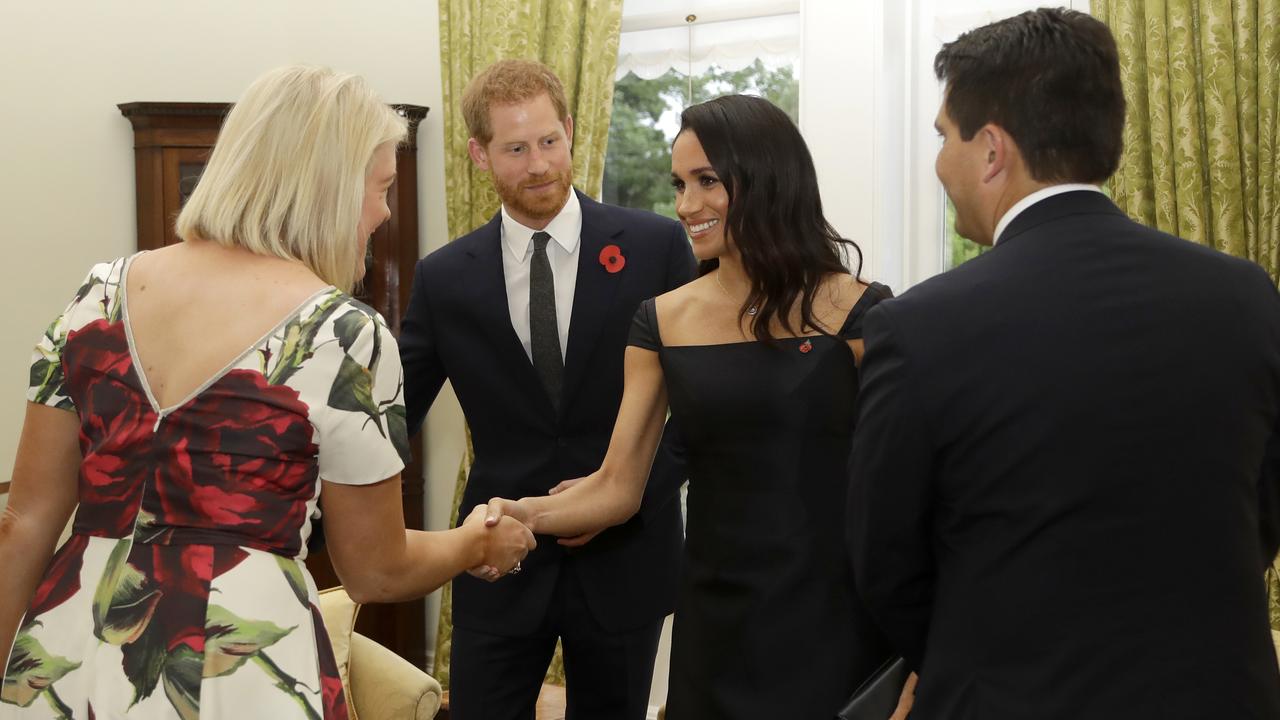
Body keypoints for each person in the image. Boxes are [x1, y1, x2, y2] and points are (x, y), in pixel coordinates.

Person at [0, 65, 534, 720]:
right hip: (238, 667)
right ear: (328, 189)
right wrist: (478, 541)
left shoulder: (97, 296)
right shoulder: (343, 336)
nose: (384, 212)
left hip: (68, 659)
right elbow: (376, 569)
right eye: (381, 187)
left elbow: (24, 524)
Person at [847, 8, 1280, 719]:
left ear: (991, 150)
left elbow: (885, 563)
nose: (938, 162)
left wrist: (974, 658)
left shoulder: (918, 328)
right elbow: (1260, 509)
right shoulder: (1246, 295)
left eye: (941, 136)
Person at [482, 93, 896, 719]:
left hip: (834, 617)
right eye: (679, 184)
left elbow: (906, 488)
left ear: (766, 177)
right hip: (713, 621)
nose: (686, 206)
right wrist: (520, 514)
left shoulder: (861, 312)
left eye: (707, 181)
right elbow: (618, 486)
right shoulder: (662, 319)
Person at [398, 59, 694, 720]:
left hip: (626, 555)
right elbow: (392, 417)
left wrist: (618, 496)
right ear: (479, 154)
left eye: (550, 141)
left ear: (568, 130)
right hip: (498, 558)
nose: (539, 165)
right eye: (515, 148)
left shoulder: (656, 247)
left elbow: (700, 406)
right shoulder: (445, 278)